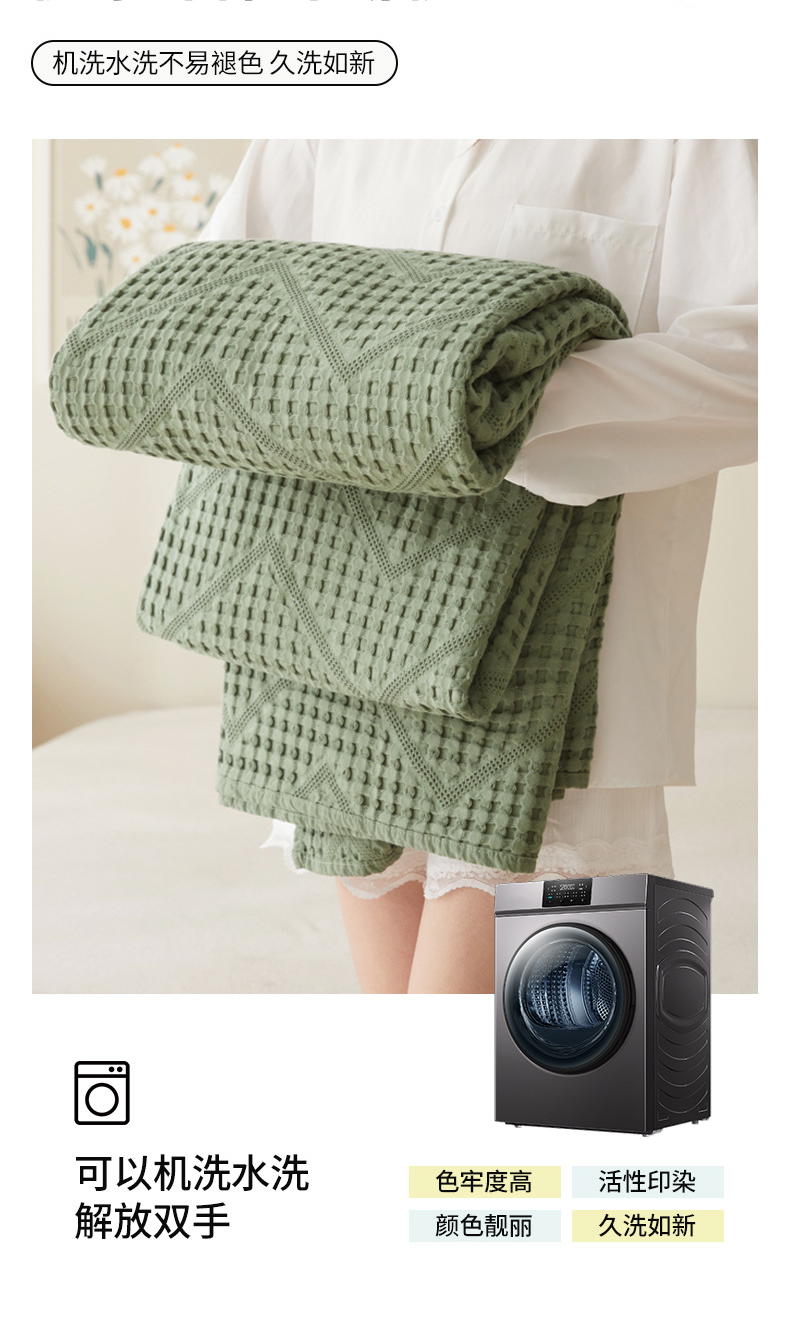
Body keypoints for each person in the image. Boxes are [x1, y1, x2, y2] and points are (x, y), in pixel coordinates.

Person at [202, 139, 757, 994]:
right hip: (335, 646)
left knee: (564, 1070)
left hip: (557, 670)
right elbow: (221, 297)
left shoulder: (692, 124)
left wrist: (480, 408)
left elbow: (757, 358)